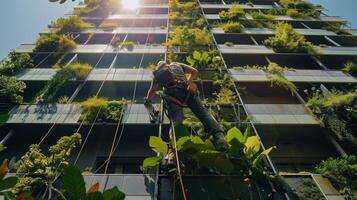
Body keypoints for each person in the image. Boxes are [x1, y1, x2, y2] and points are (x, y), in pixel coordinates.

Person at [144, 61, 227, 151]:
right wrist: (187, 82)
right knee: (203, 113)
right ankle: (219, 138)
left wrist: (147, 100)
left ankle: (175, 149)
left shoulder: (157, 75)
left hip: (172, 97)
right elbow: (195, 71)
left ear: (158, 67)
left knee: (177, 120)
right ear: (166, 64)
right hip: (188, 91)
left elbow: (152, 90)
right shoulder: (176, 64)